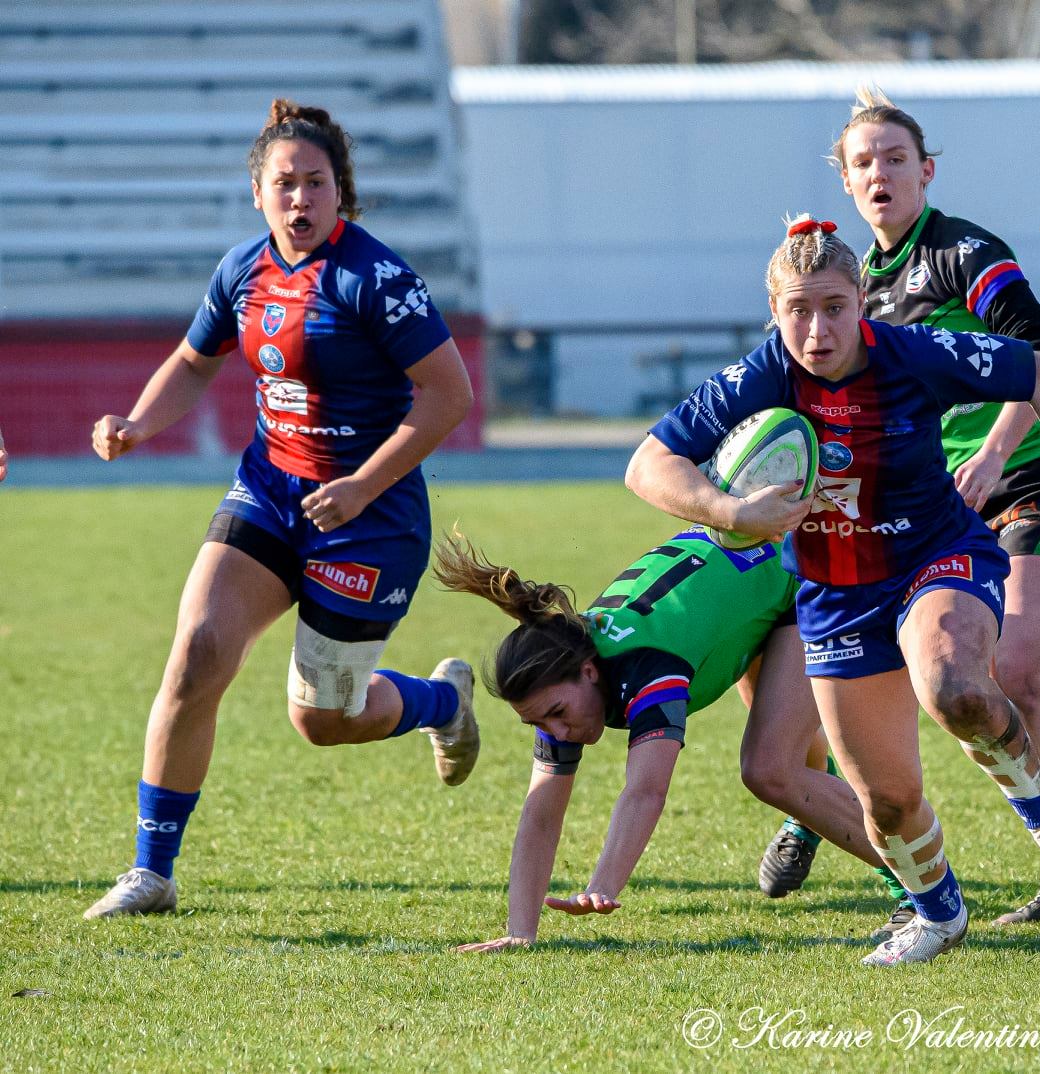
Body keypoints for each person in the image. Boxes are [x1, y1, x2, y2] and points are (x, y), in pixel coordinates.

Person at [627, 216, 1040, 965]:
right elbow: (649, 462)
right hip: (835, 594)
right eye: (797, 311)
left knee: (954, 685)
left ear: (860, 302)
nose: (816, 329)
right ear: (773, 313)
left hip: (934, 557)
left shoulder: (913, 354)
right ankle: (939, 913)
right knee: (886, 801)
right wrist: (729, 510)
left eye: (833, 308)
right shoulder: (761, 377)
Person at [82, 100, 477, 919]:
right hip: (269, 492)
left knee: (323, 721)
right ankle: (151, 872)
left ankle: (442, 701)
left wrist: (364, 484)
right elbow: (194, 363)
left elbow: (448, 396)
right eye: (284, 184)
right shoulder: (241, 270)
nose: (299, 199)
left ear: (342, 193)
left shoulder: (378, 280)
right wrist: (137, 423)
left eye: (315, 183)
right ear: (257, 193)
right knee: (196, 654)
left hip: (370, 517)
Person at [776, 84, 1040, 935]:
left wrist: (997, 452)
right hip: (933, 510)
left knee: (1020, 674)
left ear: (925, 170)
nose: (880, 174)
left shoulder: (960, 252)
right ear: (844, 182)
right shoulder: (850, 279)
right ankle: (818, 801)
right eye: (862, 163)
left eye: (895, 159)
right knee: (914, 666)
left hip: (1027, 480)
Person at [435, 530, 886, 951]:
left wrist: (603, 885)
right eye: (538, 723)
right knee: (781, 738)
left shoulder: (646, 667)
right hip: (751, 584)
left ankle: (921, 885)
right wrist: (520, 933)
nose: (558, 733)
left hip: (800, 573)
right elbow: (541, 811)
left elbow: (645, 791)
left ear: (590, 672)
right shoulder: (562, 673)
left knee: (769, 768)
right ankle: (812, 815)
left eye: (556, 715)